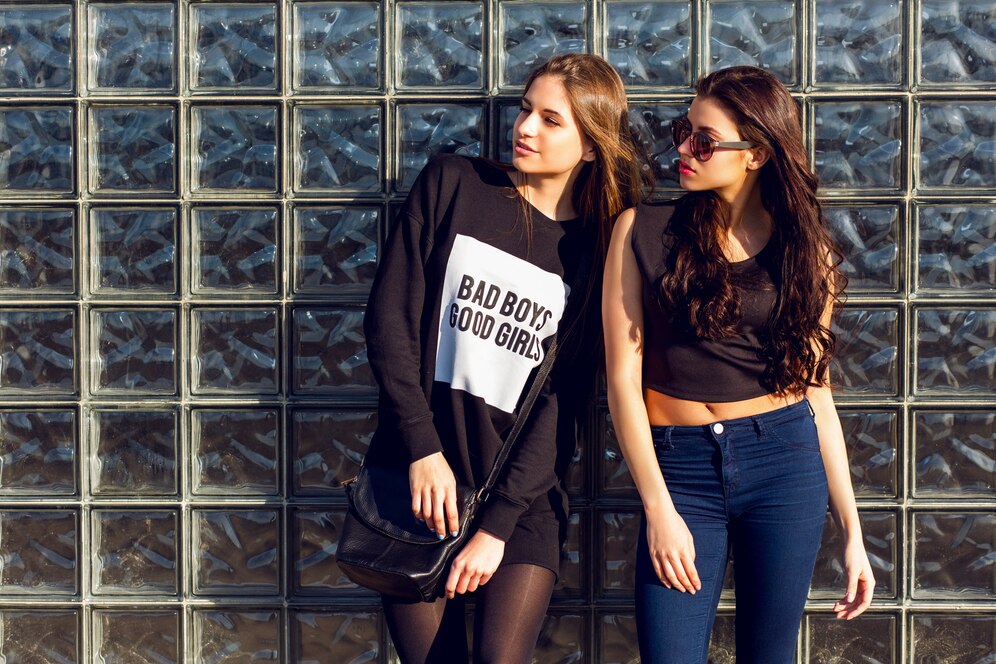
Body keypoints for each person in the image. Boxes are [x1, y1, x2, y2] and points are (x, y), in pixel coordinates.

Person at [363, 54, 647, 664]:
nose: (525, 128)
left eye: (551, 119)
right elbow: (390, 323)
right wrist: (421, 448)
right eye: (525, 110)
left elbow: (563, 401)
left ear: (591, 146)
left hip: (522, 500)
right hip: (421, 482)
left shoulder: (595, 250)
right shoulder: (454, 184)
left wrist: (497, 525)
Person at [602, 65, 876, 664]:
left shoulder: (804, 251)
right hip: (681, 470)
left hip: (784, 462)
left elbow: (816, 391)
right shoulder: (642, 230)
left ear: (755, 154)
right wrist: (658, 507)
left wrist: (853, 534)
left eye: (704, 141)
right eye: (683, 131)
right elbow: (623, 378)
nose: (683, 150)